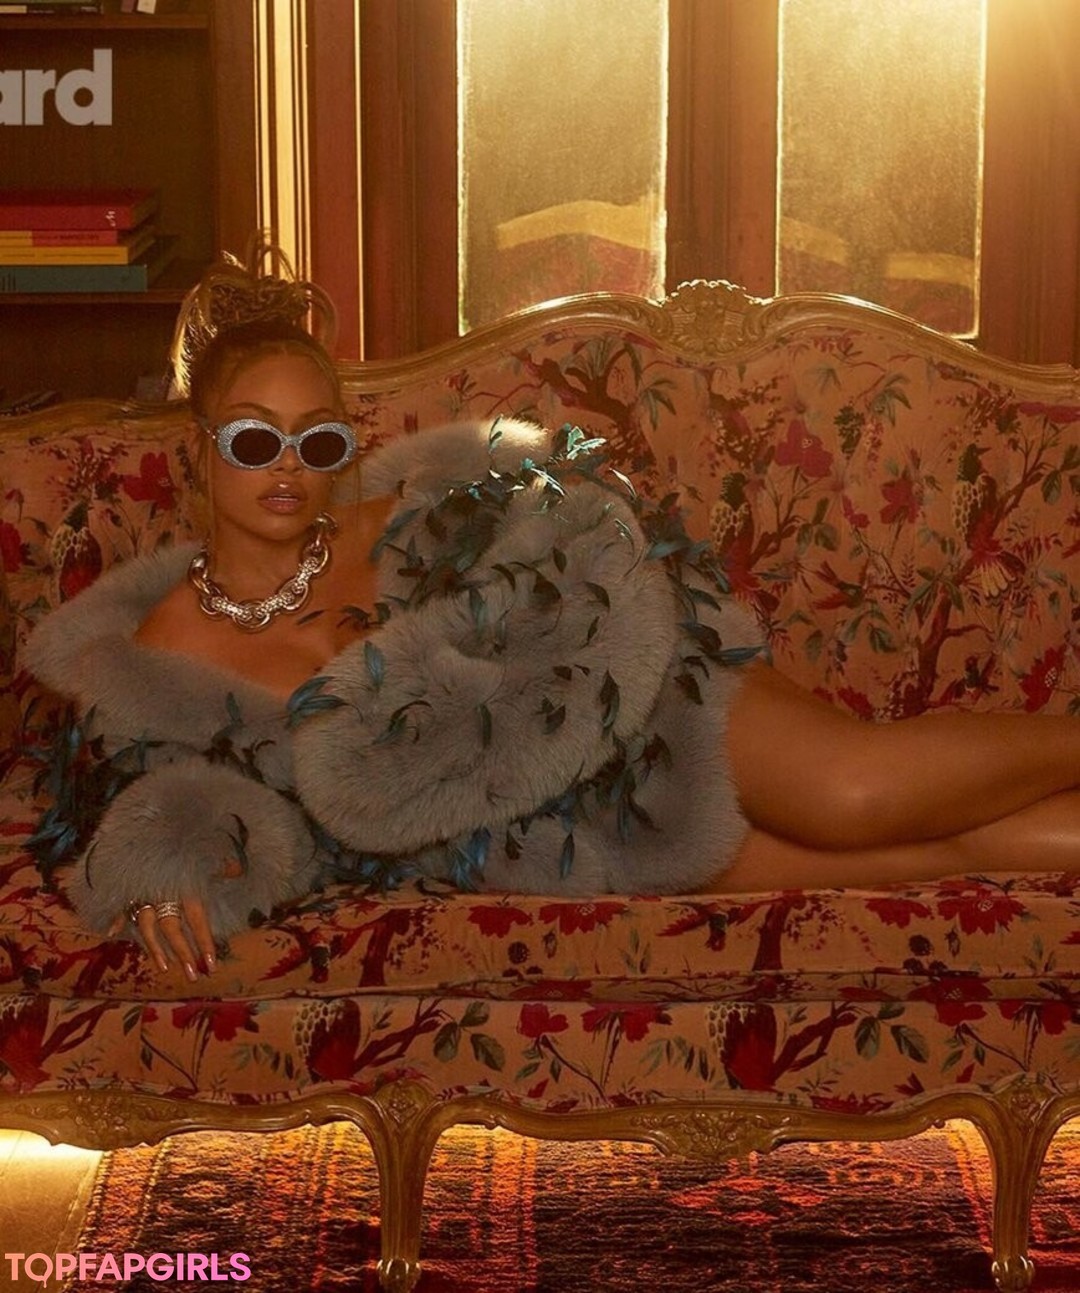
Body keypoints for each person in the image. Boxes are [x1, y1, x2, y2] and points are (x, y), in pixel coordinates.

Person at [24, 242, 1080, 984]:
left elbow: (585, 547)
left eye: (319, 440)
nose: (289, 467)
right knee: (937, 854)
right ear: (199, 452)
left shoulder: (412, 517)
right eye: (255, 439)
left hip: (650, 715)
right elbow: (137, 804)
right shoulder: (156, 654)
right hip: (563, 836)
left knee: (855, 793)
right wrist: (159, 876)